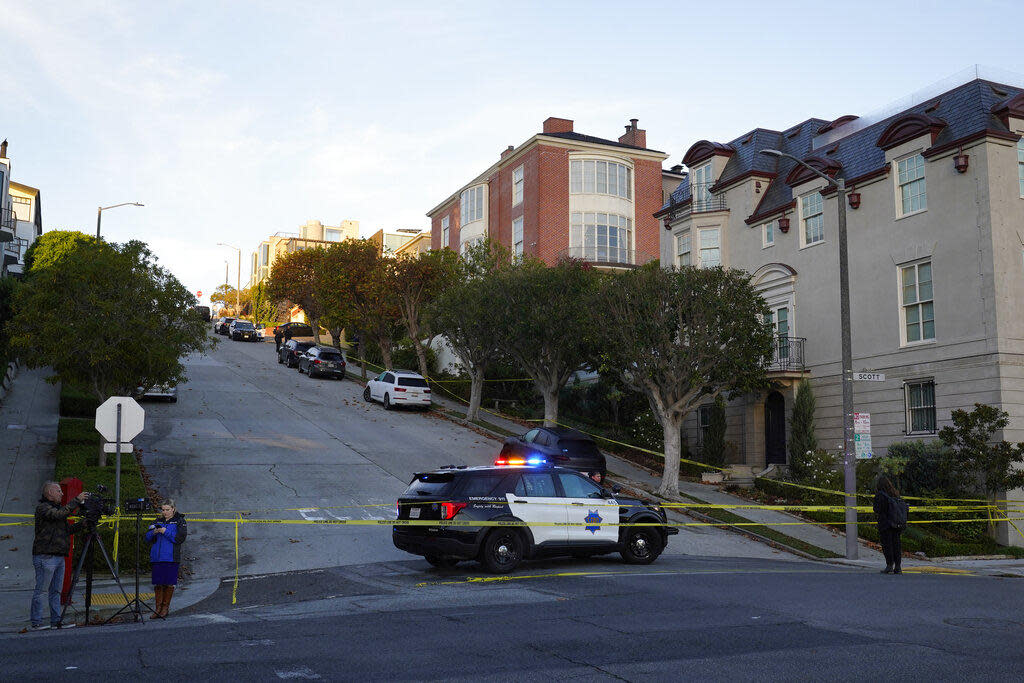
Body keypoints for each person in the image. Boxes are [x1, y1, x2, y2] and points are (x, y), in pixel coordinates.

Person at [31, 482, 88, 630]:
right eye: (59, 491)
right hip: (46, 556)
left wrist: (83, 524)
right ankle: (36, 621)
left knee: (56, 590)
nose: (62, 494)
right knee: (41, 590)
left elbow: (65, 530)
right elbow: (58, 515)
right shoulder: (43, 508)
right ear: (50, 492)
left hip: (59, 556)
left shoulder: (56, 509)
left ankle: (56, 621)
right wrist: (76, 500)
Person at [145, 500, 187, 618]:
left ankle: (165, 608)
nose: (165, 512)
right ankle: (158, 608)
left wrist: (164, 531)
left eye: (167, 510)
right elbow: (147, 538)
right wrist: (154, 532)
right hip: (157, 558)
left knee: (169, 584)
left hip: (170, 557)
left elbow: (179, 538)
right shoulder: (158, 521)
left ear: (173, 509)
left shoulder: (180, 521)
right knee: (158, 584)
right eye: (163, 510)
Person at [873, 475, 904, 575]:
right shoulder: (895, 494)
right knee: (896, 545)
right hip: (896, 523)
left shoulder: (880, 495)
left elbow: (876, 509)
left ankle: (889, 565)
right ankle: (898, 567)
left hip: (885, 523)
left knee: (887, 545)